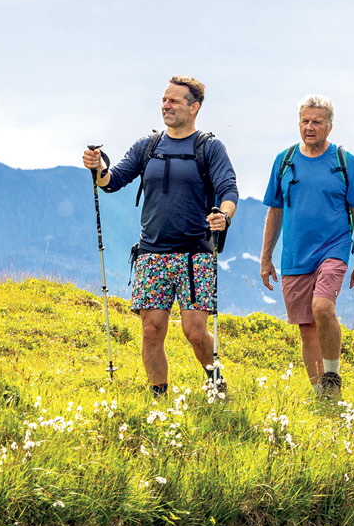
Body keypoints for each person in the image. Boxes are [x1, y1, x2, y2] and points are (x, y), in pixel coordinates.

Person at [82, 77, 238, 397]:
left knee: (194, 332)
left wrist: (224, 215)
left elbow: (228, 190)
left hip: (196, 253)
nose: (166, 106)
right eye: (164, 100)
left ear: (194, 108)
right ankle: (159, 398)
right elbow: (112, 181)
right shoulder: (148, 146)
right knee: (151, 330)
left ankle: (216, 383)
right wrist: (97, 167)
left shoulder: (209, 147)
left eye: (174, 101)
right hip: (152, 252)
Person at [258, 95, 354, 397]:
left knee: (322, 307)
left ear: (329, 127)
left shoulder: (345, 163)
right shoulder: (284, 161)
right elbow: (275, 211)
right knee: (306, 328)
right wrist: (266, 258)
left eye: (316, 122)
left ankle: (332, 375)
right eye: (305, 121)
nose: (310, 127)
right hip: (295, 257)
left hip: (333, 249)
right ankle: (321, 395)